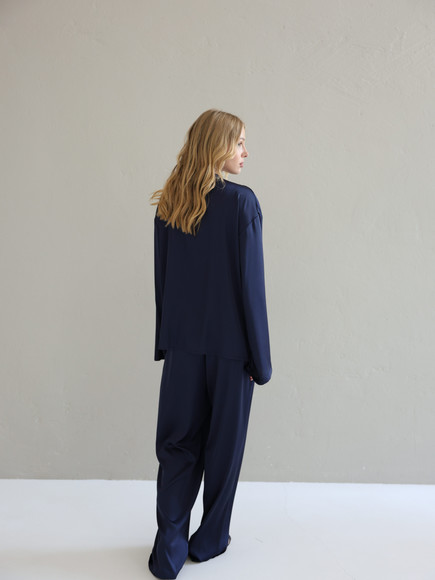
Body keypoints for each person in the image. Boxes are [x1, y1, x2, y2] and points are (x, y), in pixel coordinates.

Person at [148, 109, 272, 579]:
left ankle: (169, 549)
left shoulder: (171, 202)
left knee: (177, 445)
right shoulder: (243, 204)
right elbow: (251, 289)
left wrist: (166, 343)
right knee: (224, 448)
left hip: (182, 347)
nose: (245, 152)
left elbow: (162, 280)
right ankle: (210, 540)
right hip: (232, 352)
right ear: (217, 146)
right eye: (239, 142)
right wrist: (261, 361)